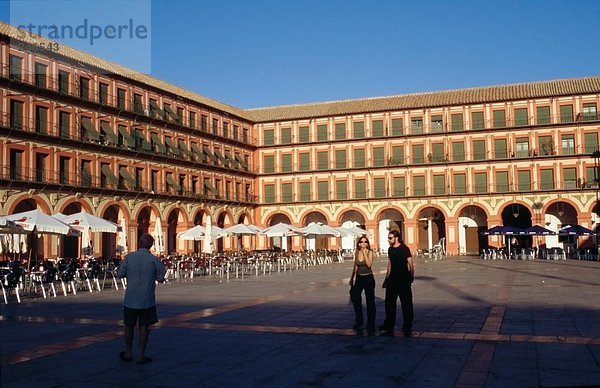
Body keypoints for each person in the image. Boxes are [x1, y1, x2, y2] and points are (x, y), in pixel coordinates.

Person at [117, 233, 165, 364]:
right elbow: (161, 279)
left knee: (128, 326)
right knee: (144, 327)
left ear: (139, 243)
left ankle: (128, 352)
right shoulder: (155, 260)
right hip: (146, 300)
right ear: (151, 245)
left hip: (130, 299)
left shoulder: (129, 258)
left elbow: (120, 274)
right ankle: (141, 355)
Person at [379, 230, 414, 337]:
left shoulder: (405, 249)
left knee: (406, 303)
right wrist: (386, 279)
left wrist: (411, 277)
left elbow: (410, 264)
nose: (388, 240)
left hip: (403, 280)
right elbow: (389, 265)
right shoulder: (390, 249)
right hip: (392, 280)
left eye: (390, 238)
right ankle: (389, 324)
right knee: (389, 303)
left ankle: (407, 323)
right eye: (388, 238)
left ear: (396, 238)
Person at [348, 235, 376, 332]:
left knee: (370, 301)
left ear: (367, 244)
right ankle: (359, 320)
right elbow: (355, 266)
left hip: (368, 278)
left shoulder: (370, 252)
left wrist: (364, 253)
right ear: (359, 243)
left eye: (365, 242)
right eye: (362, 242)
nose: (363, 243)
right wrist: (352, 278)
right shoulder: (356, 252)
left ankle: (371, 323)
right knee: (356, 299)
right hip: (359, 278)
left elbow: (369, 264)